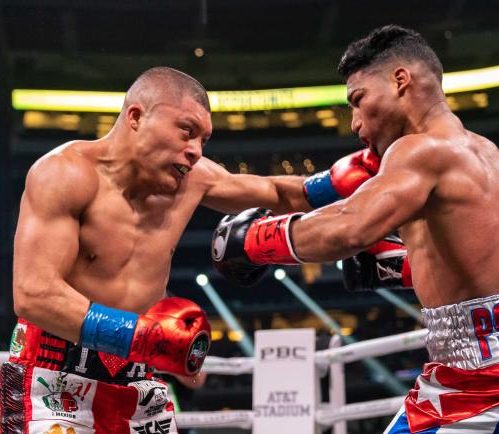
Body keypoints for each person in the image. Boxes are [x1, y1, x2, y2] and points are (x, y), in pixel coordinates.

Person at [212, 26, 499, 433]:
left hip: (490, 379)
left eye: (358, 101)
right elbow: (486, 268)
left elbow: (349, 227)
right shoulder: (492, 156)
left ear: (401, 81)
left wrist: (255, 241)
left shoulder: (418, 150)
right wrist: (399, 265)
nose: (355, 123)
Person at [3, 66, 384, 434]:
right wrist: (143, 336)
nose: (195, 151)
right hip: (52, 373)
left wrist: (341, 180)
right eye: (187, 132)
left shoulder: (193, 180)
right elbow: (34, 295)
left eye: (203, 140)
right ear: (136, 116)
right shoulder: (64, 174)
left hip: (137, 377)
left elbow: (279, 193)